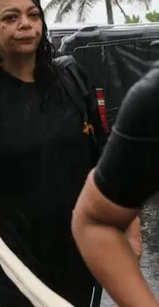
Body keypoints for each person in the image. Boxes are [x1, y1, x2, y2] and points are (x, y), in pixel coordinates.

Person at [0, 0, 140, 306]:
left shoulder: (71, 77)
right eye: (11, 18)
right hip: (13, 255)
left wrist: (130, 230)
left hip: (78, 245)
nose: (25, 25)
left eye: (33, 15)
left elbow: (105, 159)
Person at [72, 67, 159, 307]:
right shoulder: (152, 98)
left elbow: (98, 146)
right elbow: (96, 219)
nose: (25, 26)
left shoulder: (72, 79)